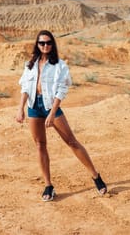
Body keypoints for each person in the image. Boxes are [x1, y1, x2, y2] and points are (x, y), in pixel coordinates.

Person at [16, 30, 107, 201]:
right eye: (41, 43)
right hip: (33, 107)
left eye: (48, 43)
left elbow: (62, 90)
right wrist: (20, 108)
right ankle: (48, 186)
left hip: (51, 106)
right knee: (40, 145)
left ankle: (96, 176)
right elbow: (25, 88)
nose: (45, 46)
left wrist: (51, 113)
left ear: (53, 44)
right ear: (37, 44)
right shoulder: (30, 64)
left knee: (71, 141)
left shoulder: (59, 65)